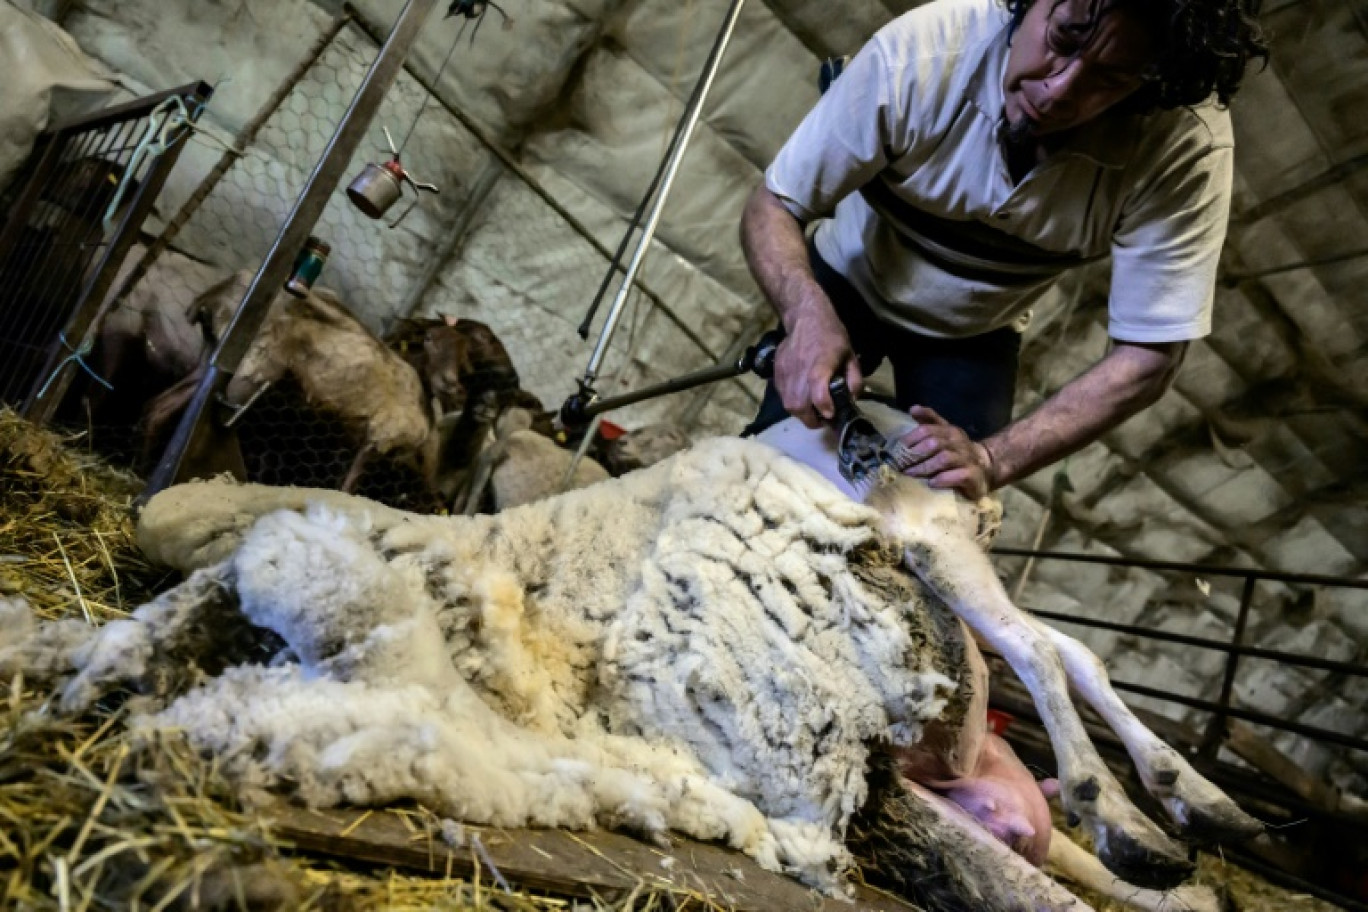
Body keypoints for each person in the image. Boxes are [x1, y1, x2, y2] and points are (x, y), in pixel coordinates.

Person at [740, 0, 1267, 499]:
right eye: (1063, 36)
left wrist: (994, 459)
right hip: (847, 279)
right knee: (775, 468)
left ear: (1152, 84)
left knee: (950, 510)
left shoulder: (1183, 147)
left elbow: (1148, 355)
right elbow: (775, 203)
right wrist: (804, 312)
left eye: (1110, 77)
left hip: (976, 330)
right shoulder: (924, 54)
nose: (1059, 90)